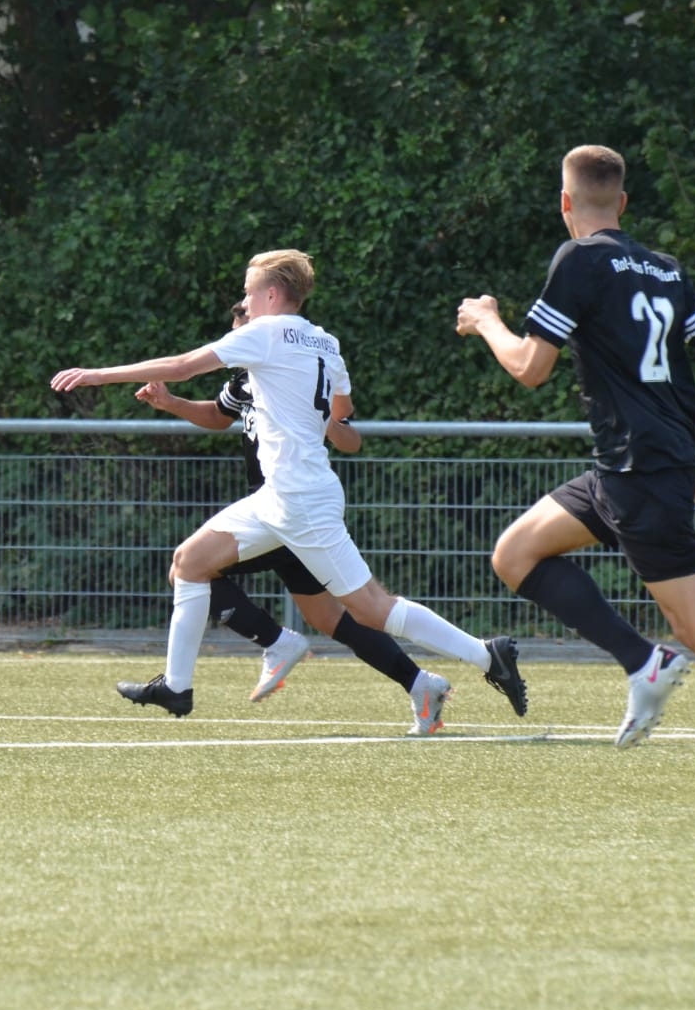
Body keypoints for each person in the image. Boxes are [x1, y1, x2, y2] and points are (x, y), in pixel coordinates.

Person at [51, 248, 528, 727]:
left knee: (372, 609)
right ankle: (177, 687)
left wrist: (98, 375)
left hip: (300, 499)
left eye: (248, 292)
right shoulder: (325, 341)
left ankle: (487, 655)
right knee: (190, 562)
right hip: (279, 496)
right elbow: (341, 411)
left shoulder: (266, 333)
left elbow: (181, 366)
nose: (245, 301)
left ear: (272, 294)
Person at [456, 143, 695, 747]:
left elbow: (530, 367)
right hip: (629, 469)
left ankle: (653, 661)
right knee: (515, 554)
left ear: (564, 202)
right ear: (622, 202)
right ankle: (643, 661)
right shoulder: (664, 268)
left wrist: (486, 320)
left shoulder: (579, 258)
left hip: (640, 471)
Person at [136, 297, 465, 734]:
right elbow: (217, 416)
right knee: (330, 618)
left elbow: (351, 440)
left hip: (287, 509)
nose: (234, 337)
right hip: (271, 509)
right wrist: (171, 402)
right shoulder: (246, 378)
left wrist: (330, 425)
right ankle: (421, 684)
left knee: (188, 568)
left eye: (240, 326)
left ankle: (275, 642)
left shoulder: (293, 367)